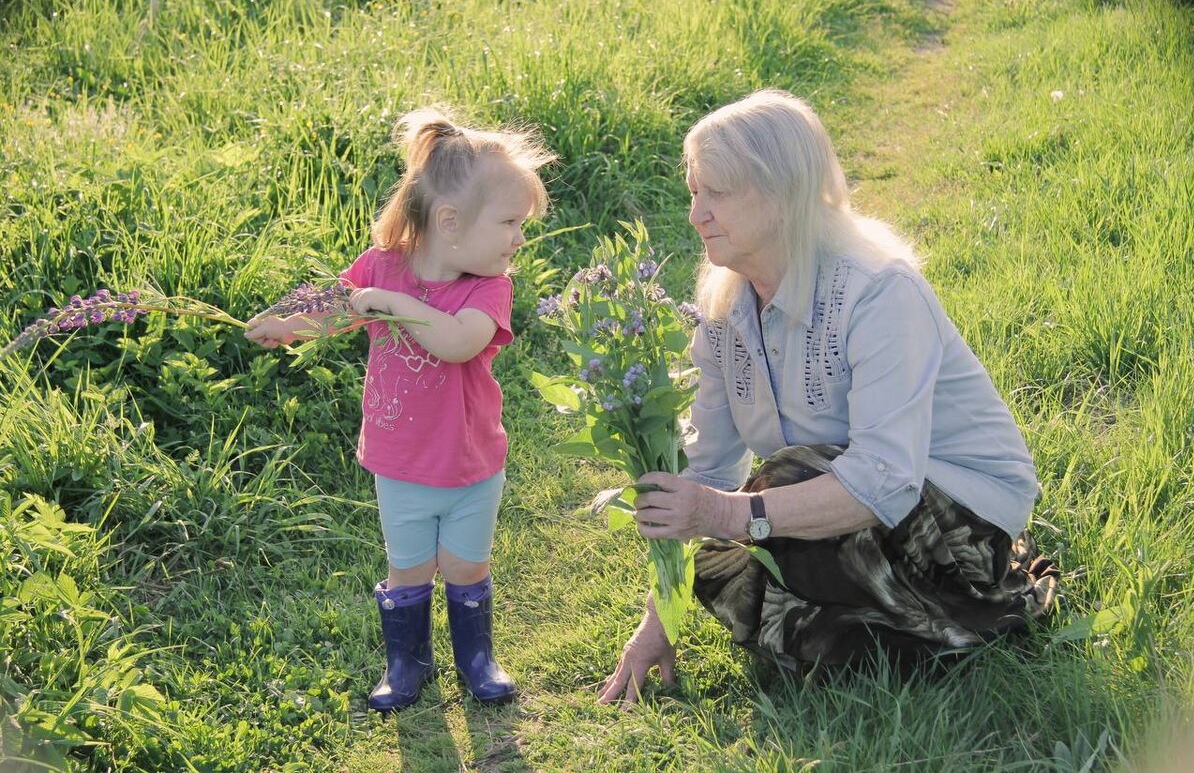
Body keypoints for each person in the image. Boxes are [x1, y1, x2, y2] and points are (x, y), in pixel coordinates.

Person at [598, 90, 1059, 705]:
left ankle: (969, 604)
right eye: (692, 191)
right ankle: (908, 636)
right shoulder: (724, 310)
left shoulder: (879, 293)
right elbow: (705, 472)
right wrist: (655, 625)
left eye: (716, 192)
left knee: (775, 490)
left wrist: (730, 513)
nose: (695, 213)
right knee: (721, 560)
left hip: (963, 516)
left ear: (781, 191)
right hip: (845, 501)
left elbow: (884, 479)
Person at [245, 107, 555, 710]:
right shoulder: (382, 265)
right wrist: (289, 324)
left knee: (466, 566)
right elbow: (340, 308)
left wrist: (388, 304)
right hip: (401, 460)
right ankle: (406, 665)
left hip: (470, 462)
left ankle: (477, 658)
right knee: (409, 567)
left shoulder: (488, 285)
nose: (521, 238)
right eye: (512, 223)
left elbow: (459, 341)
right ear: (450, 221)